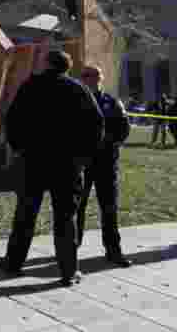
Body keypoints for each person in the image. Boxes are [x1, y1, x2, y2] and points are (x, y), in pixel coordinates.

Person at [0, 50, 104, 286]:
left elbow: (12, 119)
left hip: (33, 160)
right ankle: (68, 270)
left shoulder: (30, 86)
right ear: (67, 67)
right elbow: (96, 124)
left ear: (46, 64)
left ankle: (13, 262)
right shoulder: (79, 89)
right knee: (66, 217)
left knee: (25, 214)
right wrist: (84, 156)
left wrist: (18, 148)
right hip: (67, 163)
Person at [75, 65, 132, 267]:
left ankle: (113, 251)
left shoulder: (111, 102)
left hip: (106, 163)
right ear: (81, 78)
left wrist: (108, 140)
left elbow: (124, 129)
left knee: (109, 208)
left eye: (95, 75)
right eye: (86, 75)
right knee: (77, 207)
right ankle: (71, 248)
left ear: (101, 78)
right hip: (81, 163)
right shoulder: (74, 101)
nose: (91, 79)